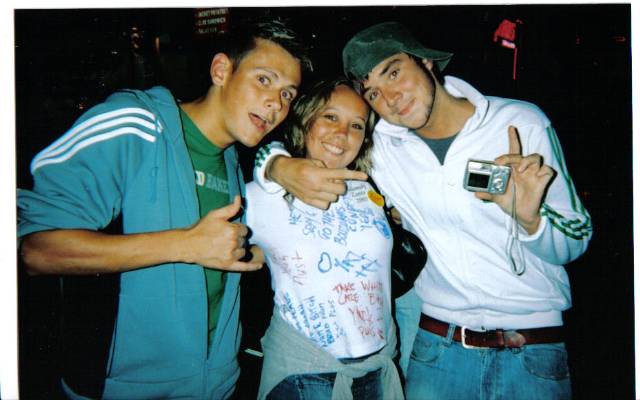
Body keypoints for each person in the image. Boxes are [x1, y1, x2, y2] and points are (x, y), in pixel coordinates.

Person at [253, 21, 592, 400]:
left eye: (393, 72)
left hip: (531, 347)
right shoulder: (381, 148)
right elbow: (298, 146)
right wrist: (277, 165)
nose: (391, 97)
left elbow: (576, 238)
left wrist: (532, 220)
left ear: (426, 62)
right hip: (437, 349)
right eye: (374, 93)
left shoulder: (520, 123)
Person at [17, 17, 311, 399]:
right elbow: (36, 251)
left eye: (288, 93)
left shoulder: (232, 163)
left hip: (215, 383)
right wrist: (185, 244)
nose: (276, 103)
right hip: (124, 387)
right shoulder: (135, 123)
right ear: (221, 70)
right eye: (264, 79)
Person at [246, 78, 403, 399]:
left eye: (356, 125)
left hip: (377, 367)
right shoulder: (262, 194)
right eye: (330, 117)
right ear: (305, 121)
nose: (343, 134)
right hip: (305, 372)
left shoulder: (369, 189)